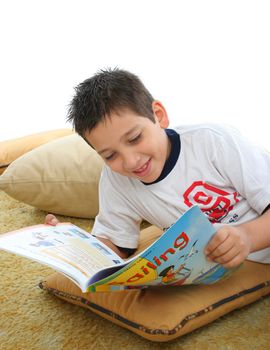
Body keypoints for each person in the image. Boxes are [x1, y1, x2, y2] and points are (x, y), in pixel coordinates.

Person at [46, 68, 270, 269]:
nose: (131, 161)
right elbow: (116, 243)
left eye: (134, 138)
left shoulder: (213, 142)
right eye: (110, 155)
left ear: (159, 115)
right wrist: (75, 244)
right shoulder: (117, 180)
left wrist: (247, 237)